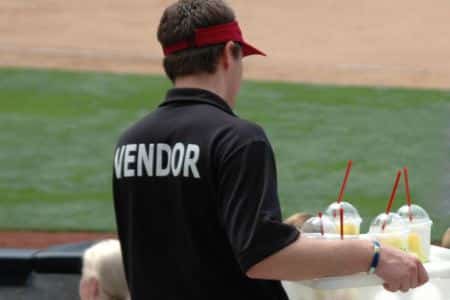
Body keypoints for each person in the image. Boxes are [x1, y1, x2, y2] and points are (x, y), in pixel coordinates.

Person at [112, 1, 429, 299]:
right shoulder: (237, 138)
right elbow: (263, 256)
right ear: (229, 53)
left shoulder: (129, 142)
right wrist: (373, 254)